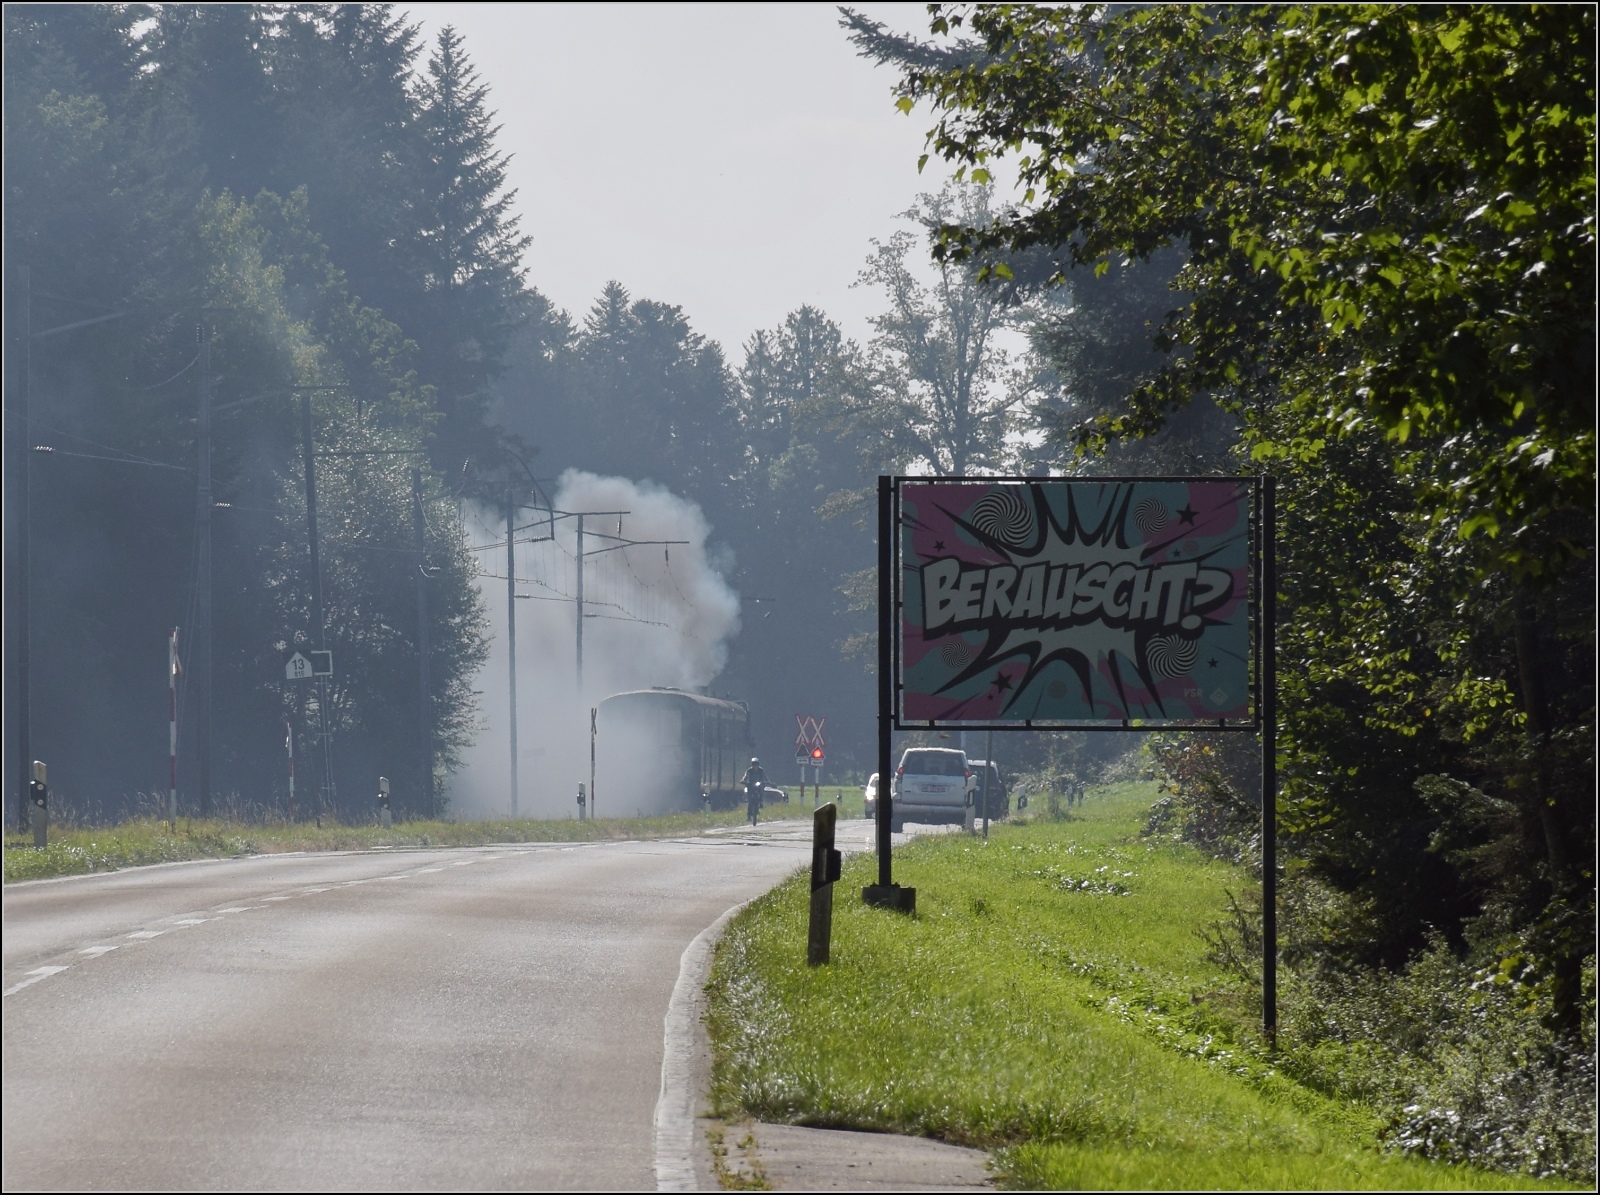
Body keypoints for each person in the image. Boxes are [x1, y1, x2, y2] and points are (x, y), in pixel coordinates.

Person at [741, 757, 768, 826]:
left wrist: (767, 782)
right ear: (752, 765)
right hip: (750, 785)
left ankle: (761, 801)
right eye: (753, 764)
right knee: (750, 799)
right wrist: (743, 781)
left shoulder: (761, 770)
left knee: (761, 790)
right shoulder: (749, 771)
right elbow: (745, 777)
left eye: (756, 764)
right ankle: (749, 814)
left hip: (758, 784)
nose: (755, 766)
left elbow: (765, 777)